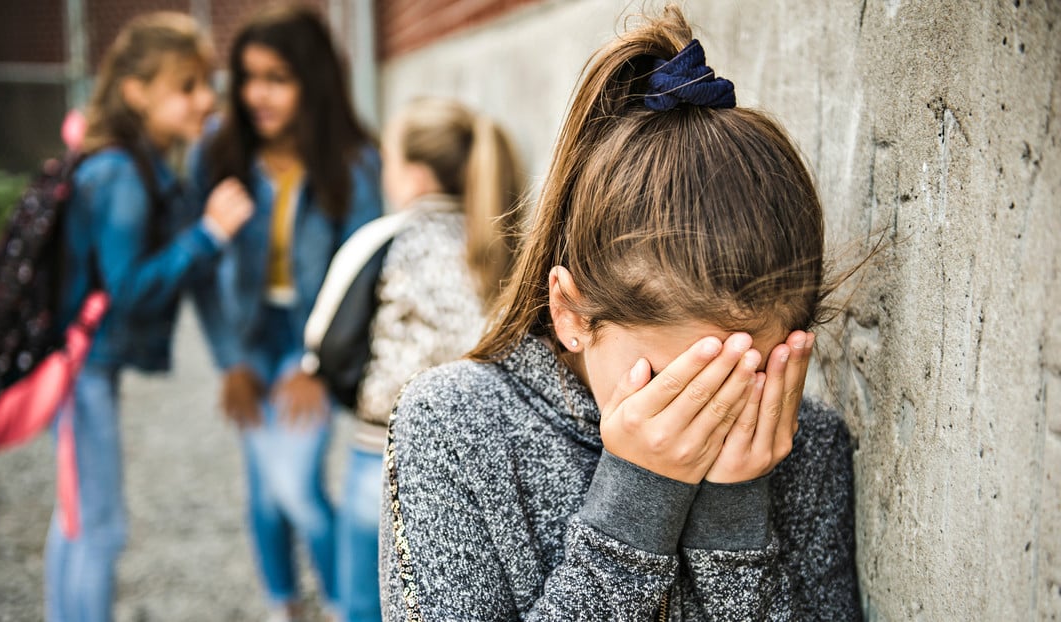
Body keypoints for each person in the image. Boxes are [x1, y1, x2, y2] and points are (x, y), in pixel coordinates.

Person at [380, 6, 862, 621]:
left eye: (745, 377)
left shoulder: (803, 444)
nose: (708, 415)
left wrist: (737, 524)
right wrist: (636, 505)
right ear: (571, 314)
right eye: (676, 383)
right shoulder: (454, 427)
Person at [47, 12, 253, 622]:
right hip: (82, 367)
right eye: (186, 87)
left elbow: (200, 285)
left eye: (206, 83)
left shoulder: (160, 162)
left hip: (85, 364)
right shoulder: (120, 174)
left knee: (77, 514)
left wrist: (230, 360)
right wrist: (210, 235)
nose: (206, 100)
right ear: (137, 92)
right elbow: (130, 290)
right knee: (99, 527)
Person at [188, 5, 383, 621]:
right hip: (250, 337)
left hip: (314, 338)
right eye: (247, 77)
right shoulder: (218, 155)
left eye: (277, 77)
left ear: (313, 81)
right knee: (263, 491)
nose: (256, 95)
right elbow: (200, 271)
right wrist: (230, 361)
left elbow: (361, 276)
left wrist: (316, 365)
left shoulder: (354, 164)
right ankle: (283, 606)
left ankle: (339, 604)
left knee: (297, 489)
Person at [326, 97, 523, 622]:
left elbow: (327, 343)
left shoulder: (383, 239)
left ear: (413, 175)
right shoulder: (512, 242)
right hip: (484, 457)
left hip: (380, 451)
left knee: (365, 606)